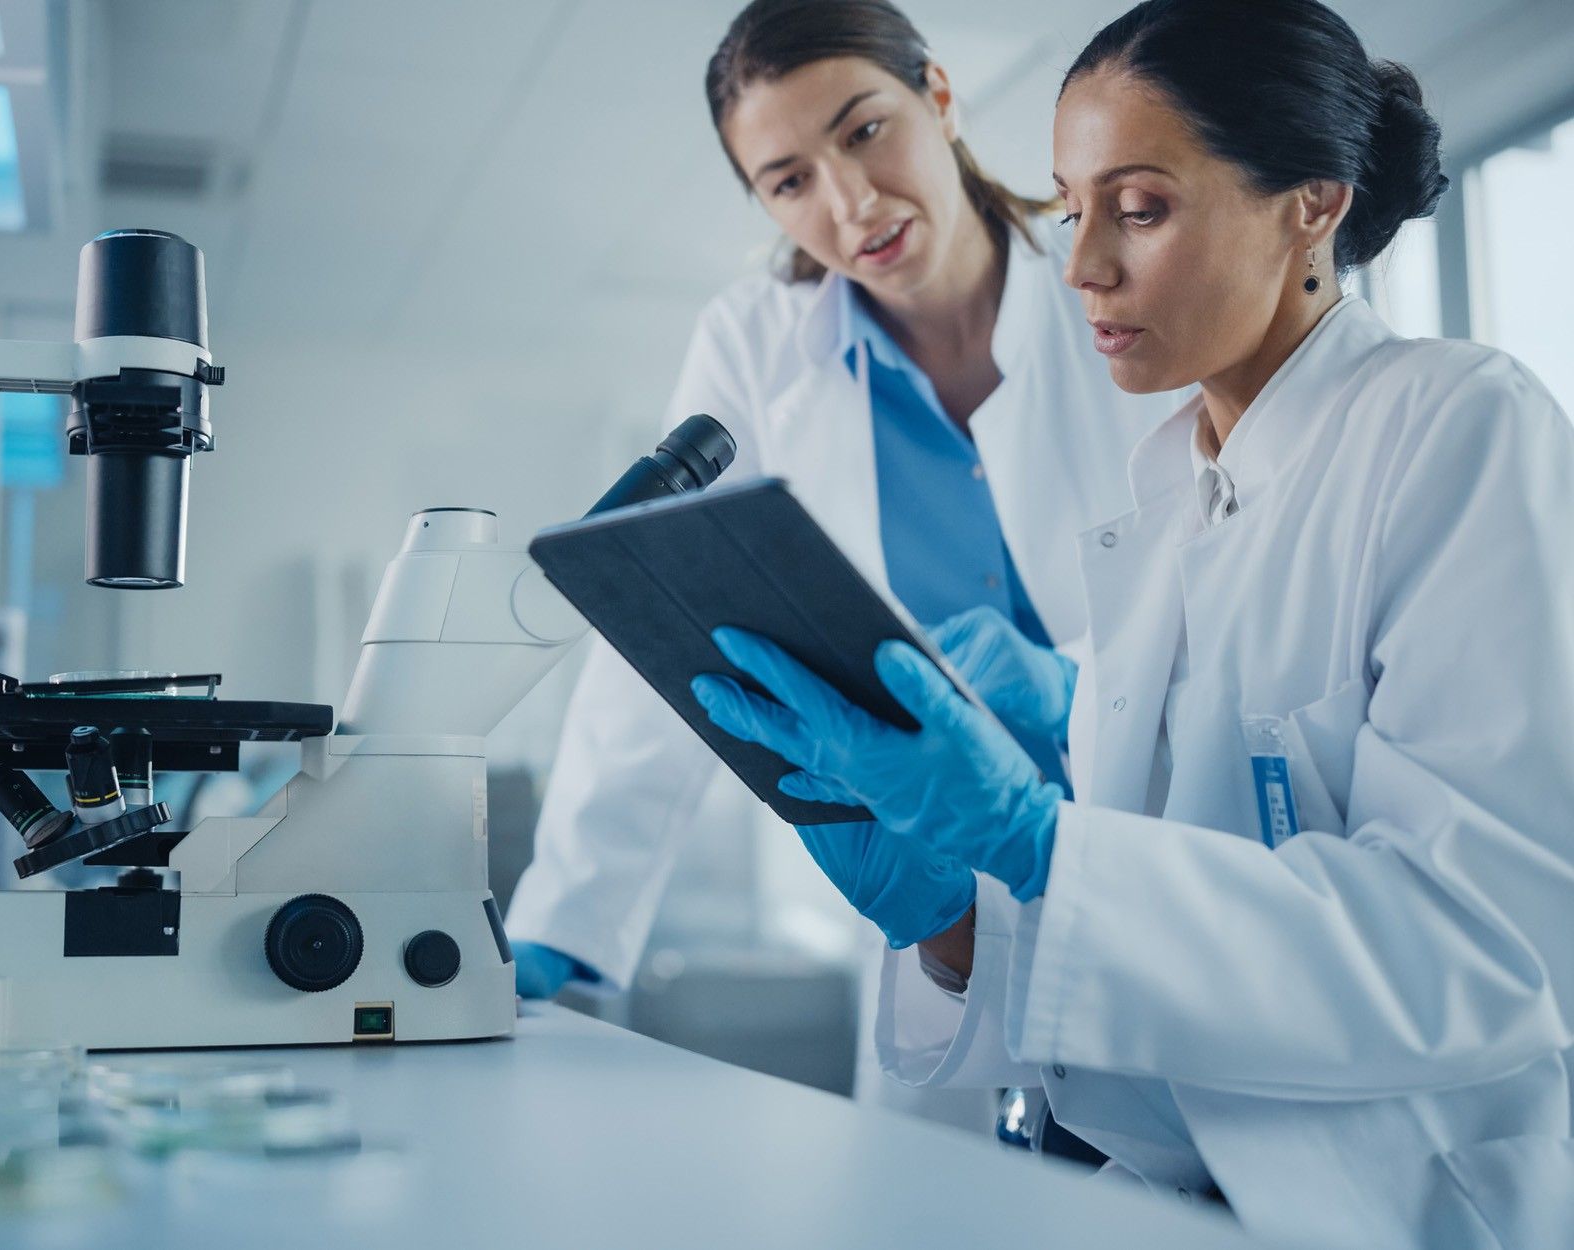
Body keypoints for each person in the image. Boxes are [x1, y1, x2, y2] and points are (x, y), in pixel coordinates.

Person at [690, 0, 1574, 1240]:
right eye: (1072, 207)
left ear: (1311, 201)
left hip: (1406, 1205)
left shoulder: (1455, 425)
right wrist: (947, 920)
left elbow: (1486, 955)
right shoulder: (1164, 505)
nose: (1086, 263)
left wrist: (1042, 843)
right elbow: (1125, 1003)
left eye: (1140, 207)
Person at [503, 0, 1172, 1126]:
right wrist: (564, 920)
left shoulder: (1110, 286)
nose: (849, 203)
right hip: (943, 895)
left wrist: (1078, 687)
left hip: (1158, 849)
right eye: (788, 180)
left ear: (941, 97)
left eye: (864, 131)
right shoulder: (758, 343)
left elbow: (1230, 571)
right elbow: (664, 631)